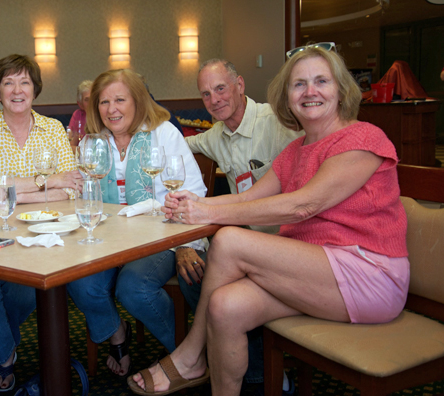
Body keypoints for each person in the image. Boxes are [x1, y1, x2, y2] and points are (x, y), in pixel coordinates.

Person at [128, 44, 409, 396]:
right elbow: (247, 198)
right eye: (298, 84)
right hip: (317, 272)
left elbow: (301, 207)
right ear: (287, 96)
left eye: (321, 81)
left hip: (370, 275)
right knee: (224, 306)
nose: (310, 92)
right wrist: (195, 202)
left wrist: (210, 211)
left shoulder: (363, 138)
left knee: (229, 240)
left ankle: (189, 355)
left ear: (340, 89)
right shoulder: (297, 149)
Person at [67, 68, 206, 378]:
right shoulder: (95, 142)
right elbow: (81, 193)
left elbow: (193, 193)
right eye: (103, 102)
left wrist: (185, 243)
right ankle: (117, 335)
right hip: (108, 240)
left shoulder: (163, 134)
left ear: (138, 101)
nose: (111, 109)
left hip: (162, 237)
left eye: (120, 99)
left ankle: (186, 354)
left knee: (134, 288)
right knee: (79, 281)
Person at [178, 59, 302, 392]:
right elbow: (178, 146)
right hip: (246, 245)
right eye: (205, 94)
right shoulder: (216, 136)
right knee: (195, 275)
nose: (214, 99)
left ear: (240, 85)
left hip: (291, 242)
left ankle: (264, 375)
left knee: (227, 270)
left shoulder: (277, 123)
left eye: (220, 88)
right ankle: (237, 360)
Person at [0, 54, 80, 392]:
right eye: (8, 83)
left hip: (44, 235)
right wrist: (49, 182)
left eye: (24, 82)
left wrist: (13, 190)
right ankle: (5, 355)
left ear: (35, 89)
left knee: (29, 293)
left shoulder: (54, 129)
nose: (17, 90)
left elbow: (71, 189)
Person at [68, 80, 92, 146]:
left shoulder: (104, 115)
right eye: (87, 100)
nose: (91, 103)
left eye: (94, 98)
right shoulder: (78, 115)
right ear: (80, 104)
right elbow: (70, 145)